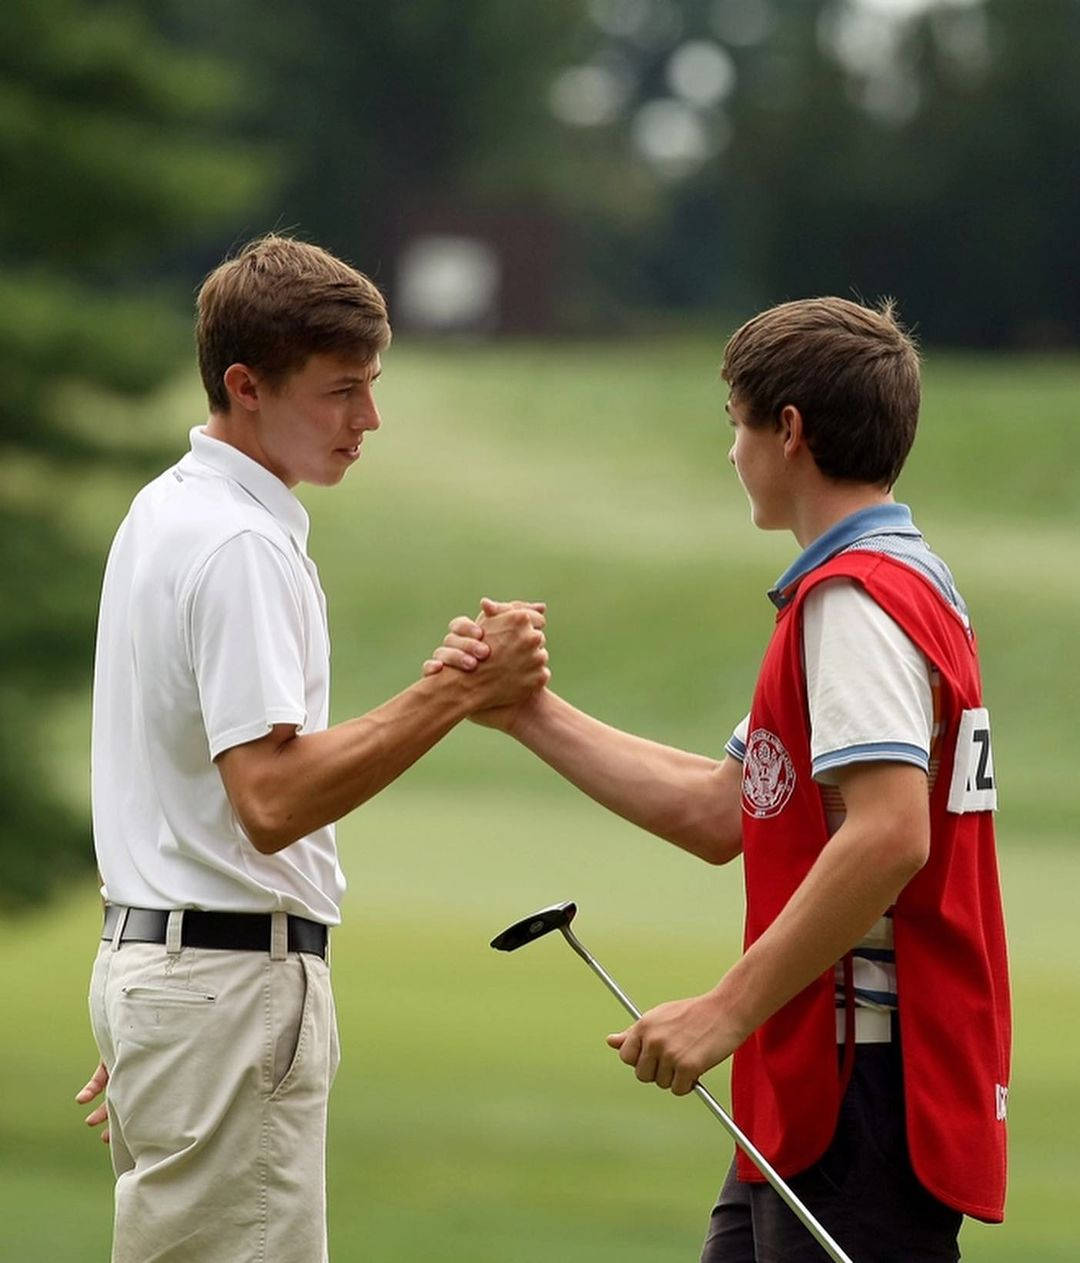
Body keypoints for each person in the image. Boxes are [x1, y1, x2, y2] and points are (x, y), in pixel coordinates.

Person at [426, 297, 1010, 1261]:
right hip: (823, 1087)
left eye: (735, 425)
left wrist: (725, 1008)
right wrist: (525, 709)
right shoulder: (887, 581)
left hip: (861, 1089)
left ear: (787, 432)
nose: (731, 452)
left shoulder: (856, 603)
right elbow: (720, 808)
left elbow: (889, 833)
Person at [75, 233, 550, 1263]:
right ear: (246, 386)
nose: (367, 419)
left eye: (370, 387)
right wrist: (458, 691)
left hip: (167, 971)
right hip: (225, 985)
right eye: (342, 391)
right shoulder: (241, 544)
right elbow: (272, 800)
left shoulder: (167, 510)